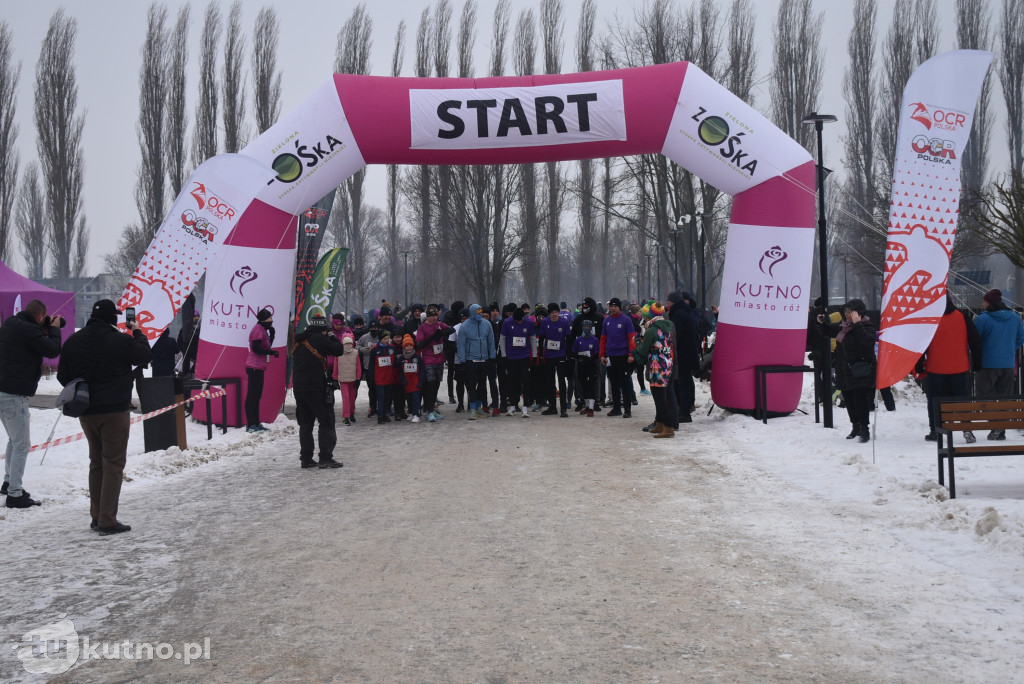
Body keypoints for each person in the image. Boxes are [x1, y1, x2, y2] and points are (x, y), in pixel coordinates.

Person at [57, 299, 152, 534]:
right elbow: (144, 356)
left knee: (97, 463)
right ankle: (107, 520)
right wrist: (137, 332)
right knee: (113, 463)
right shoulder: (120, 340)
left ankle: (97, 515)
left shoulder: (74, 341)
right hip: (114, 411)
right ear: (113, 318)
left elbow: (63, 376)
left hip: (86, 411)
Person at [0, 299, 63, 508]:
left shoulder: (10, 323)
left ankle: (9, 483)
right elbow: (53, 350)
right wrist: (53, 330)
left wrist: (46, 326)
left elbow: (31, 339)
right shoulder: (29, 331)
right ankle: (15, 495)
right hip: (13, 394)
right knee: (22, 444)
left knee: (13, 440)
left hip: (3, 390)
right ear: (39, 317)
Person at [919, 296, 982, 443]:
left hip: (936, 367)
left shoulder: (930, 319)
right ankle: (967, 429)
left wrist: (918, 365)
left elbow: (921, 345)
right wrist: (977, 363)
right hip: (959, 367)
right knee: (963, 401)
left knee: (935, 401)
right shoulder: (962, 316)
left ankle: (936, 430)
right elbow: (975, 340)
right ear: (951, 300)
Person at [818, 298, 876, 443]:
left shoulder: (866, 325)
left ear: (859, 312)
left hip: (860, 371)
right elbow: (829, 331)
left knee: (860, 401)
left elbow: (866, 341)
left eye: (850, 312)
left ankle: (865, 429)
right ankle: (855, 426)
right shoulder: (843, 327)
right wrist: (821, 323)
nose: (847, 314)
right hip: (844, 371)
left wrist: (857, 324)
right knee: (849, 401)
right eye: (846, 311)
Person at [292, 314, 345, 469]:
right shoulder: (320, 338)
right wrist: (332, 336)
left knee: (306, 423)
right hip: (315, 386)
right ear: (323, 328)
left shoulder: (301, 340)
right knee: (326, 419)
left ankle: (306, 458)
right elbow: (339, 350)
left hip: (299, 387)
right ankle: (325, 457)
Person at [974, 288, 1024, 440]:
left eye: (984, 302)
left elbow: (976, 342)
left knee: (984, 396)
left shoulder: (983, 319)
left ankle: (996, 425)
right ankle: (1001, 429)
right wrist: (1009, 350)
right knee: (1005, 397)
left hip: (987, 363)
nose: (983, 305)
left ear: (989, 303)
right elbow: (1020, 338)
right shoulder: (1015, 317)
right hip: (1008, 363)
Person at [633, 302, 678, 438]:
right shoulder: (667, 326)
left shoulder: (652, 330)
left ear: (651, 315)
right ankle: (659, 423)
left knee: (660, 398)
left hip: (656, 366)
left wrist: (637, 342)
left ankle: (668, 427)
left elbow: (643, 350)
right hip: (666, 364)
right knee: (662, 395)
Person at [414, 305, 452, 422]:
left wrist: (444, 334)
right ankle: (428, 410)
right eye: (432, 316)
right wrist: (432, 337)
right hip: (428, 360)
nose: (435, 318)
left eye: (436, 315)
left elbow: (452, 330)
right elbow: (419, 345)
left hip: (439, 359)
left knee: (436, 384)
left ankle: (433, 409)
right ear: (427, 317)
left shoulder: (439, 325)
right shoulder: (423, 328)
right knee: (430, 385)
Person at [600, 297, 637, 418]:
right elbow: (603, 339)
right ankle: (616, 408)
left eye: (615, 306)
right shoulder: (606, 321)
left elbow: (632, 338)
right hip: (611, 355)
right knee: (613, 382)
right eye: (611, 306)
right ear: (609, 307)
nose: (613, 308)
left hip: (623, 355)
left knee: (624, 383)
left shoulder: (626, 320)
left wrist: (632, 354)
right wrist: (602, 355)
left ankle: (627, 409)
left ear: (619, 307)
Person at [457, 303, 495, 420]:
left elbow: (490, 341)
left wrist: (492, 356)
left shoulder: (487, 324)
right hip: (470, 360)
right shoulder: (465, 326)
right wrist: (462, 360)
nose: (480, 315)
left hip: (484, 359)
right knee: (472, 385)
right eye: (478, 313)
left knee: (482, 385)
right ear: (472, 313)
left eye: (481, 312)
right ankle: (472, 408)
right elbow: (461, 344)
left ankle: (479, 407)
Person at [666, 292, 699, 424]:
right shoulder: (685, 312)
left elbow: (675, 335)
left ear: (672, 302)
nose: (667, 303)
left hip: (682, 355)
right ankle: (684, 409)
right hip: (688, 353)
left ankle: (684, 412)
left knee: (682, 384)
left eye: (668, 301)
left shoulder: (678, 314)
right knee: (684, 383)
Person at [500, 304, 536, 417]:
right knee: (512, 382)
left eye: (521, 321)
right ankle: (512, 406)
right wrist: (503, 354)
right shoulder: (507, 322)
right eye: (517, 321)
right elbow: (502, 339)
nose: (519, 323)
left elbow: (533, 339)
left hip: (524, 356)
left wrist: (534, 355)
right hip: (511, 356)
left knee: (525, 381)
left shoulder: (529, 322)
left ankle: (525, 406)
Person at [245, 308, 278, 432]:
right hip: (254, 366)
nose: (271, 322)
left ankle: (256, 422)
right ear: (264, 320)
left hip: (259, 367)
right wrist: (271, 352)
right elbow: (256, 348)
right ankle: (251, 424)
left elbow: (266, 345)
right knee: (252, 396)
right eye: (270, 319)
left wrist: (272, 335)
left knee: (257, 395)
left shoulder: (263, 329)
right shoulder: (258, 329)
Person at [539, 302, 572, 417]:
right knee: (549, 381)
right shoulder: (545, 322)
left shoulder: (564, 322)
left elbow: (568, 338)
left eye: (556, 312)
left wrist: (568, 354)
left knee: (562, 381)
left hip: (561, 354)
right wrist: (540, 354)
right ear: (549, 313)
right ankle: (552, 407)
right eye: (552, 312)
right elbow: (541, 338)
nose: (554, 314)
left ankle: (563, 408)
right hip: (549, 355)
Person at [571, 319, 600, 416]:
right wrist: (580, 358)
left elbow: (597, 353)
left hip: (591, 365)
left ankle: (591, 408)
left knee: (591, 385)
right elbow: (574, 352)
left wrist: (589, 359)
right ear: (582, 327)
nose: (586, 328)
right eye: (585, 326)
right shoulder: (578, 339)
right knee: (583, 385)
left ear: (591, 328)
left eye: (588, 327)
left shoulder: (595, 340)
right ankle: (587, 407)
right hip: (581, 365)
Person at [369, 329, 399, 424]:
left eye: (388, 338)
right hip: (379, 378)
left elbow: (395, 364)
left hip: (389, 377)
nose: (387, 340)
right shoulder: (375, 350)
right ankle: (380, 415)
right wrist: (372, 377)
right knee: (381, 398)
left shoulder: (392, 348)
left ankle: (385, 414)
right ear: (380, 339)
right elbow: (371, 365)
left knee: (388, 397)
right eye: (385, 338)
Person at [335, 333, 361, 426]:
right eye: (346, 343)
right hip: (343, 379)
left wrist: (358, 378)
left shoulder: (356, 353)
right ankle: (346, 416)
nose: (348, 345)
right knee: (345, 398)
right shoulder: (338, 353)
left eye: (350, 343)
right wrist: (335, 378)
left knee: (352, 398)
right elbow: (335, 366)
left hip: (353, 379)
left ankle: (351, 413)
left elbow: (358, 366)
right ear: (343, 344)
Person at [401, 335, 426, 422]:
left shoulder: (417, 357)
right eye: (407, 346)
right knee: (409, 398)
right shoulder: (402, 358)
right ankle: (411, 412)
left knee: (415, 398)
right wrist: (403, 380)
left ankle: (417, 414)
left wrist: (421, 381)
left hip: (416, 382)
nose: (409, 348)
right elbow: (400, 371)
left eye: (410, 345)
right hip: (407, 383)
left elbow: (422, 369)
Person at [177, 311, 201, 376]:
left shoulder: (203, 329)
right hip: (189, 359)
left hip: (200, 358)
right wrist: (186, 352)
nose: (196, 318)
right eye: (194, 316)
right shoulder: (185, 329)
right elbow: (179, 343)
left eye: (198, 316)